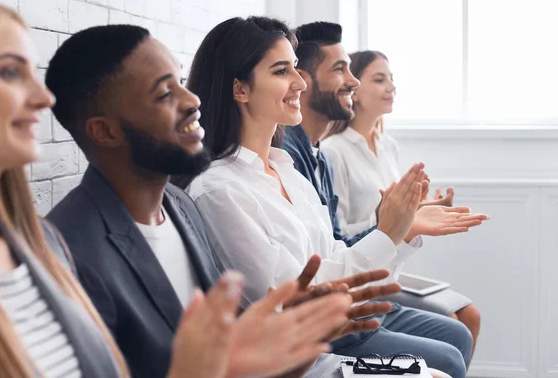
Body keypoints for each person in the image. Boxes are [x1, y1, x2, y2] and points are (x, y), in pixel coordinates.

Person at [44, 23, 400, 378]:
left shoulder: (179, 205)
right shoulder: (72, 249)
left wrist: (298, 340)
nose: (192, 100)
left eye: (181, 82)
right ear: (105, 131)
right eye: (164, 93)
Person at [0, 0, 273, 378]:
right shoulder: (72, 246)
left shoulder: (40, 242)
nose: (43, 98)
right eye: (9, 72)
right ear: (104, 131)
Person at [180, 16, 487, 378]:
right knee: (443, 367)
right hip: (303, 356)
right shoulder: (220, 190)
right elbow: (292, 304)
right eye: (282, 71)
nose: (299, 82)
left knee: (450, 350)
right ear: (240, 89)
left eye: (296, 68)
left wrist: (400, 233)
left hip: (336, 330)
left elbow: (336, 257)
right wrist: (388, 233)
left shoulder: (285, 170)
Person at [321, 49, 482, 356]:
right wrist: (390, 222)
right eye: (379, 79)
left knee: (469, 317)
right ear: (354, 90)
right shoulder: (334, 151)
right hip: (361, 278)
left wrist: (417, 211)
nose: (391, 87)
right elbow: (335, 234)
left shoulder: (388, 146)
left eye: (391, 79)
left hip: (390, 267)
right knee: (454, 325)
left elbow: (395, 219)